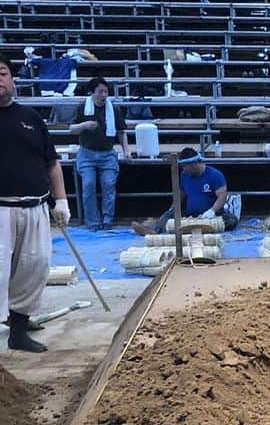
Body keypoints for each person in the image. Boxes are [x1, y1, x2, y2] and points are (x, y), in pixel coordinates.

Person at [0, 55, 70, 354]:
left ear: (13, 79)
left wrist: (62, 200)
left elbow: (52, 163)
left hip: (36, 207)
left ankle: (18, 332)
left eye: (2, 73)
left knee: (35, 266)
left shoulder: (31, 118)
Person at [69, 77, 129, 231]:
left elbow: (122, 131)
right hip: (87, 153)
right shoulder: (83, 107)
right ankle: (93, 222)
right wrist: (85, 125)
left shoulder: (113, 109)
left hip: (107, 153)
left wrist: (126, 150)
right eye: (100, 91)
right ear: (91, 93)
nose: (103, 95)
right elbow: (72, 128)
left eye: (106, 91)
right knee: (88, 186)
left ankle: (107, 219)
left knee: (109, 185)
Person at [132, 149, 237, 235]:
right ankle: (154, 230)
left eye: (186, 166)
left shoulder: (215, 175)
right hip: (190, 214)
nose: (184, 168)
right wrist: (172, 209)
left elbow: (222, 196)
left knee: (232, 221)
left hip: (213, 214)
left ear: (195, 163)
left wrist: (211, 211)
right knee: (169, 214)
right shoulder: (184, 175)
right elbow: (181, 194)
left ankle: (202, 228)